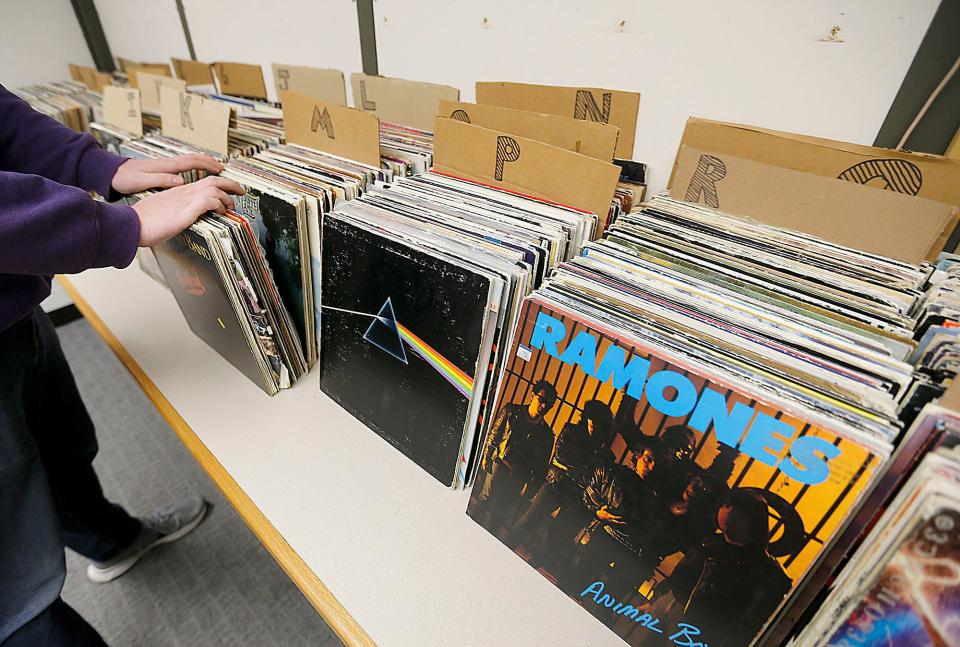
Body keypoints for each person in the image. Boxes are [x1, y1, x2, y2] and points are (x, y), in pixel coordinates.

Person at [0, 84, 245, 645]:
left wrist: (102, 166)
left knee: (62, 449)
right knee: (16, 601)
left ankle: (111, 542)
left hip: (12, 307)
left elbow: (1, 119)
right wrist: (117, 226)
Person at [655, 488, 792, 647]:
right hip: (671, 625)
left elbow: (750, 627)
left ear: (754, 521)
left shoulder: (770, 576)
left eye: (736, 520)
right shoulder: (709, 545)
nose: (728, 533)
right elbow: (678, 580)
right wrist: (655, 607)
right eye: (725, 529)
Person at [511, 399, 614, 562]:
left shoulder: (605, 452)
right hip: (556, 484)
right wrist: (587, 466)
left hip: (578, 498)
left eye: (597, 420)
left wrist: (582, 466)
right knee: (528, 521)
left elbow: (597, 477)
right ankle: (505, 551)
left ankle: (531, 565)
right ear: (586, 416)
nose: (593, 422)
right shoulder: (571, 431)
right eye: (591, 417)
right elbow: (562, 457)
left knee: (552, 540)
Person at [570, 436, 664, 602]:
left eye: (656, 463)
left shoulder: (656, 495)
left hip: (631, 550)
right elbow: (589, 494)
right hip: (606, 535)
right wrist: (599, 512)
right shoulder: (615, 474)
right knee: (577, 579)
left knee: (607, 599)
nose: (652, 466)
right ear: (639, 456)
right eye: (648, 460)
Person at [477, 380, 558, 531]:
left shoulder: (547, 435)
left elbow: (541, 465)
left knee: (502, 510)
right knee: (485, 498)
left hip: (519, 475)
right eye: (542, 400)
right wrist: (486, 456)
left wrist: (532, 487)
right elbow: (494, 434)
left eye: (549, 404)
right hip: (500, 463)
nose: (544, 406)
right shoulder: (511, 411)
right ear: (532, 396)